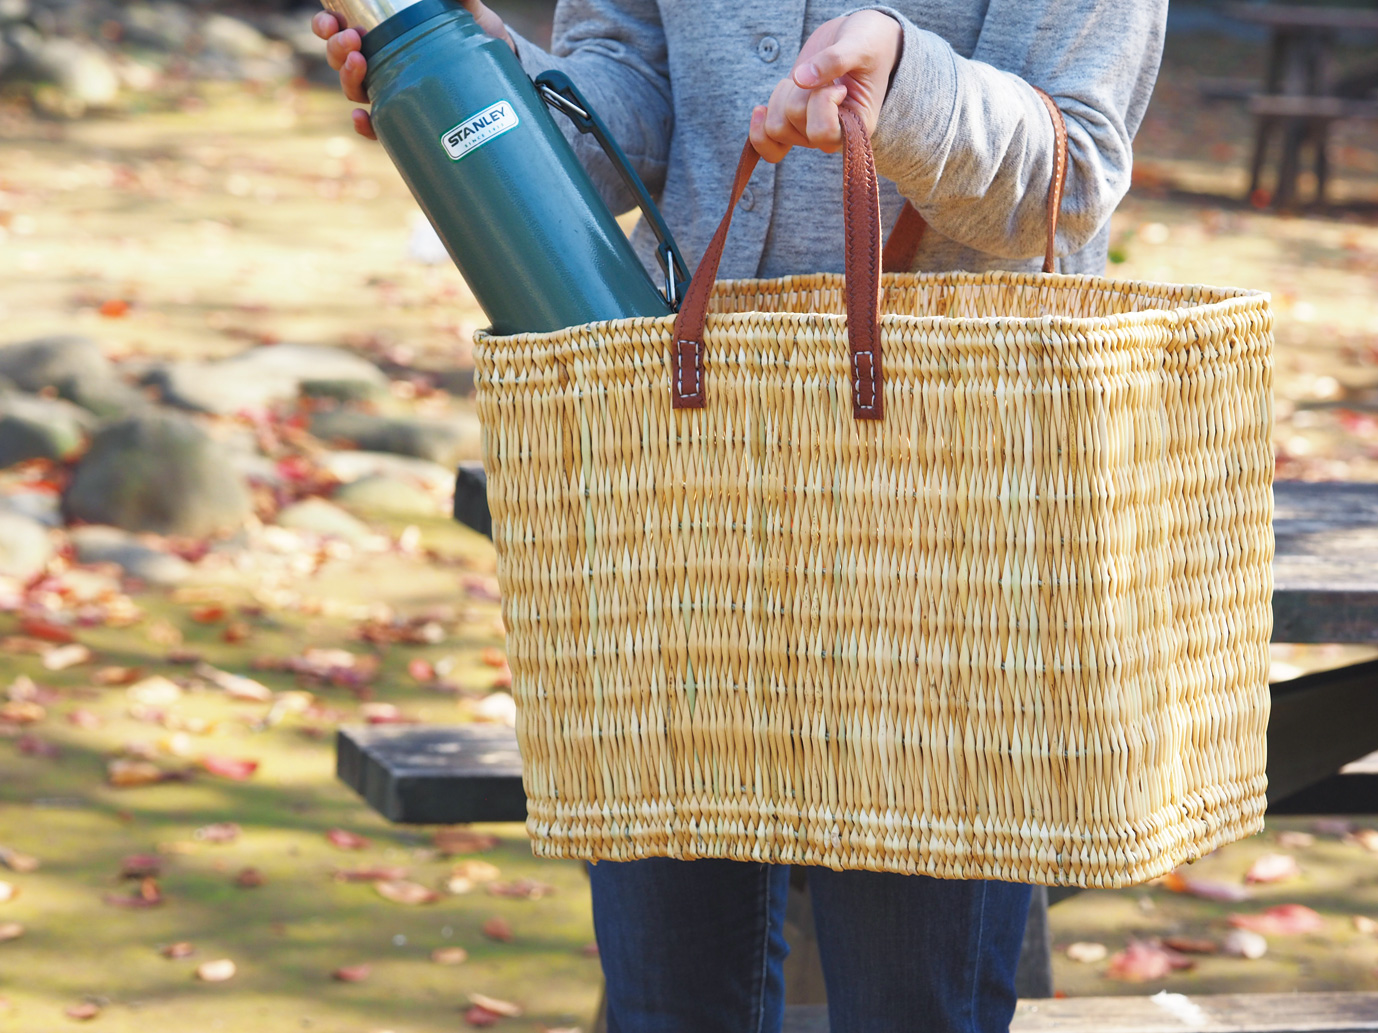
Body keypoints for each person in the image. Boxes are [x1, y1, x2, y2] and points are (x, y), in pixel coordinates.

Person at [312, 3, 1167, 1031]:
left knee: (910, 1009)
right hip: (675, 495)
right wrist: (474, 87)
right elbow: (626, 100)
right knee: (667, 1007)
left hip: (941, 520)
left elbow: (1058, 186)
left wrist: (897, 81)